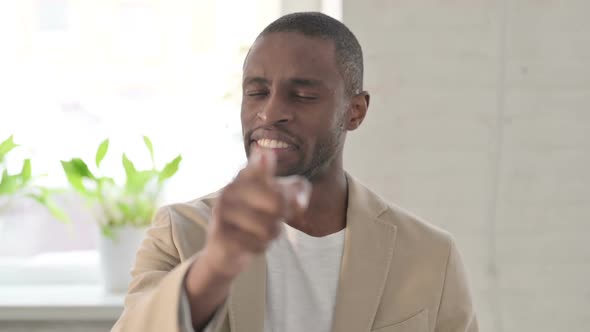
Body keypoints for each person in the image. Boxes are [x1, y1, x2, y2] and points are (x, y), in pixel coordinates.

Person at [112, 12, 478, 332]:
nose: (270, 113)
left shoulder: (430, 256)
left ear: (355, 111)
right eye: (257, 92)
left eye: (302, 96)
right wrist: (215, 267)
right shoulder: (179, 233)